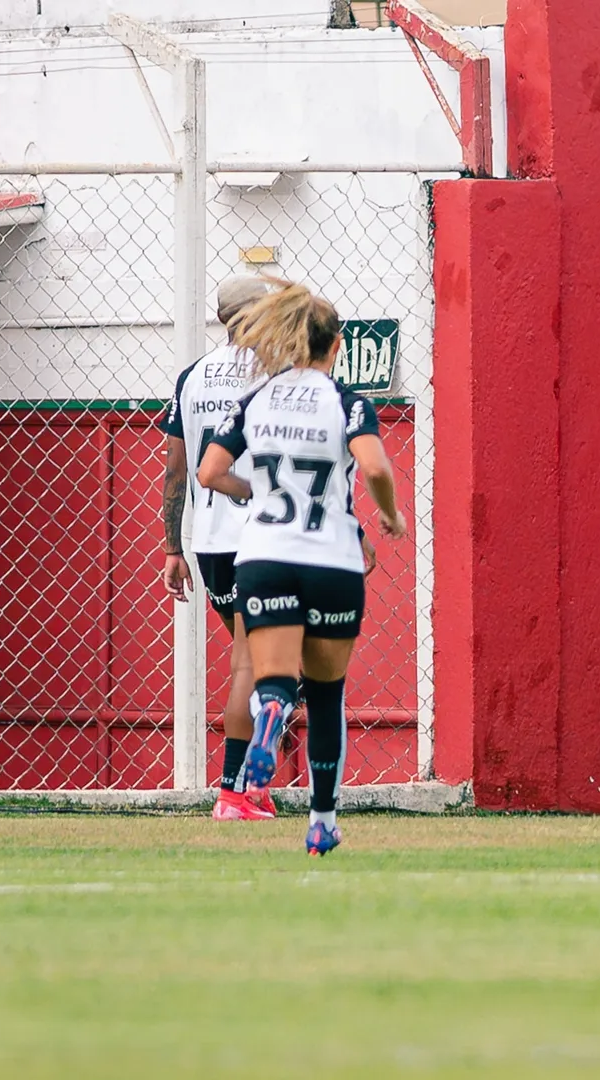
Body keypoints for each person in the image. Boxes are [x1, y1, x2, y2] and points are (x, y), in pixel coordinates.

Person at [197, 278, 408, 856]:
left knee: (271, 678)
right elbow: (377, 469)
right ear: (335, 345)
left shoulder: (256, 400)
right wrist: (389, 515)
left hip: (262, 555)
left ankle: (269, 713)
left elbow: (210, 472)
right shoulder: (346, 402)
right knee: (325, 694)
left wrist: (258, 490)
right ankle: (321, 820)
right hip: (329, 557)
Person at [157, 275, 272, 821]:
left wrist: (172, 547)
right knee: (259, 668)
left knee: (258, 663)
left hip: (211, 545)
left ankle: (251, 785)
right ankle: (237, 790)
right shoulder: (278, 373)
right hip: (267, 535)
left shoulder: (192, 376)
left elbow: (177, 466)